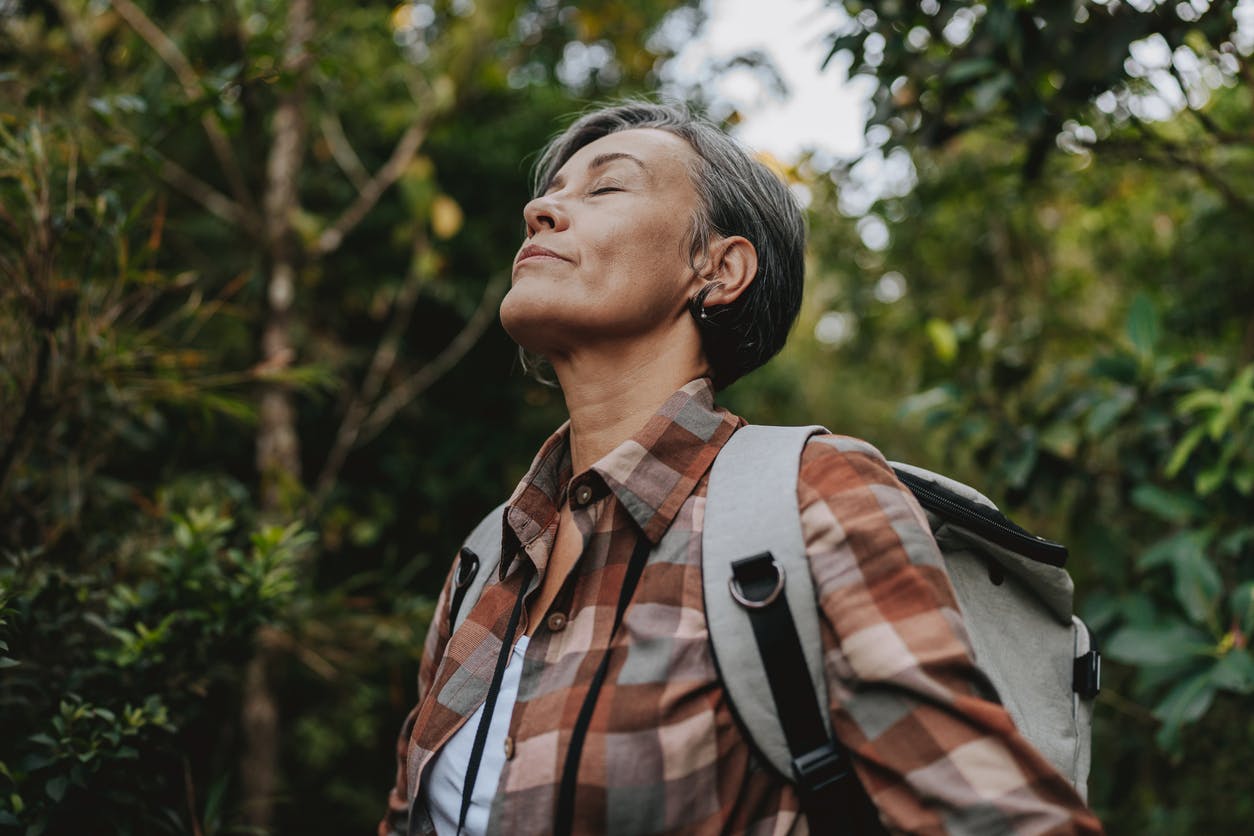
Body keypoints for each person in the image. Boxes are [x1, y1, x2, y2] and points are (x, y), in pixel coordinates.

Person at [379, 100, 1102, 835]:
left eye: (605, 188)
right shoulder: (486, 559)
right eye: (551, 191)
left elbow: (996, 815)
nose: (542, 209)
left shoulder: (812, 497)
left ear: (719, 270)